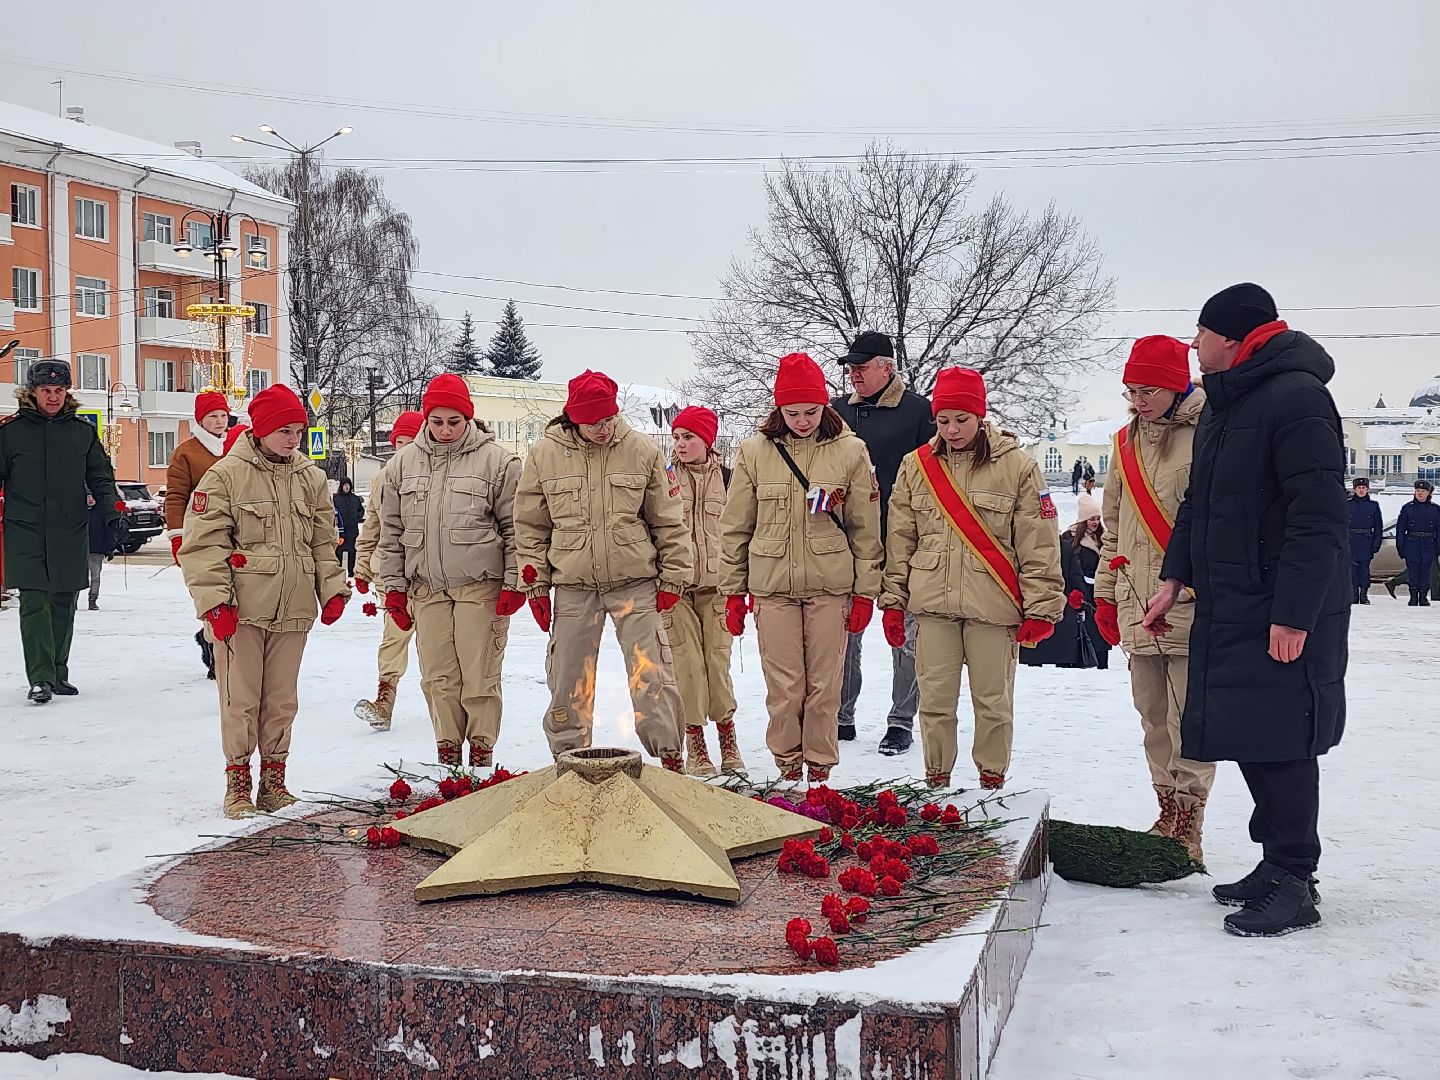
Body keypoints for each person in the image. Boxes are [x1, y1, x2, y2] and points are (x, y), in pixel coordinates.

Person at [1143, 283, 1347, 938]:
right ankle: (1276, 863)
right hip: (1234, 600)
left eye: (1199, 333)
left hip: (1278, 605)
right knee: (1254, 733)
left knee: (1283, 739)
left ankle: (1295, 879)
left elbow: (1318, 519)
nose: (1193, 345)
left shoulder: (1298, 399)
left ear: (1232, 337)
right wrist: (1174, 579)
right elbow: (1200, 504)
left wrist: (1293, 614)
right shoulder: (1231, 406)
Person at [881, 367, 1063, 790]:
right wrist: (892, 600)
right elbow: (900, 538)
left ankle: (991, 782)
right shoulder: (916, 466)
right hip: (932, 603)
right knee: (935, 702)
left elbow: (1038, 544)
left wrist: (1042, 606)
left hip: (993, 603)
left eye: (961, 420)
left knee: (993, 703)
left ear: (981, 416)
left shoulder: (1017, 467)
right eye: (943, 421)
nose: (951, 429)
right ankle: (937, 782)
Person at [179, 384, 350, 818]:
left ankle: (274, 781)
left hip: (293, 607)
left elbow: (323, 541)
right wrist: (215, 603)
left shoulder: (310, 477)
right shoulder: (226, 476)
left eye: (298, 430)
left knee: (280, 699)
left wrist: (331, 588)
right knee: (241, 698)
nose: (293, 439)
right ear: (261, 429)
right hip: (242, 611)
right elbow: (203, 545)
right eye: (284, 431)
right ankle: (238, 783)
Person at [514, 369, 692, 770]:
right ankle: (569, 759)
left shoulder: (643, 450)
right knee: (568, 676)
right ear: (574, 417)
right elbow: (530, 525)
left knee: (653, 674)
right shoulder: (545, 454)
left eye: (609, 419)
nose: (602, 428)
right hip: (574, 583)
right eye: (593, 422)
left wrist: (674, 576)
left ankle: (669, 757)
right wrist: (535, 584)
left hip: (635, 582)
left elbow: (668, 520)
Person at [720, 353, 882, 784]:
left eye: (811, 411)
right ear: (778, 409)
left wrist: (865, 592)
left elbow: (865, 530)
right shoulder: (755, 451)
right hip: (773, 587)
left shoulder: (850, 451)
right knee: (784, 686)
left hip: (830, 587)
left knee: (824, 687)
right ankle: (788, 767)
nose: (803, 420)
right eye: (792, 412)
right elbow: (736, 527)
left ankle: (821, 770)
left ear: (825, 406)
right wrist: (733, 592)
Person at [1093, 335, 1213, 861]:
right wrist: (1104, 593)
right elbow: (1113, 529)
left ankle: (1191, 822)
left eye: (1150, 390)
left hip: (1190, 598)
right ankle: (1165, 811)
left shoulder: (1210, 432)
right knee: (1152, 716)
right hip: (1136, 598)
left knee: (1189, 719)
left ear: (1176, 385)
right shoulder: (1123, 443)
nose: (1139, 401)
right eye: (1132, 391)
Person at [374, 378, 522, 767]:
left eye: (453, 422)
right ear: (426, 419)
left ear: (468, 418)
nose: (444, 430)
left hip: (479, 587)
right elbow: (390, 534)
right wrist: (393, 589)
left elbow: (516, 529)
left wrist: (515, 582)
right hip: (427, 590)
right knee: (438, 678)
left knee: (479, 676)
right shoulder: (402, 466)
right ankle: (448, 752)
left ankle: (481, 754)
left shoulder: (498, 462)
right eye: (437, 421)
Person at [829, 330, 935, 755]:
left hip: (901, 538)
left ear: (887, 368)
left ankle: (901, 720)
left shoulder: (919, 413)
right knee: (843, 630)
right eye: (850, 367)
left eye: (862, 366)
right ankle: (841, 714)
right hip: (847, 540)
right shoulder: (834, 412)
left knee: (905, 635)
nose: (853, 373)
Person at [0, 360, 121, 704]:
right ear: (32, 392)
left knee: (65, 600)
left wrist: (112, 512)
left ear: (66, 392)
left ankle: (57, 673)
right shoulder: (10, 434)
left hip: (69, 529)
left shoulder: (82, 433)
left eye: (58, 390)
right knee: (35, 600)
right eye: (45, 391)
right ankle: (39, 677)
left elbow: (100, 475)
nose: (52, 397)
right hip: (25, 529)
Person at [667, 405, 744, 776]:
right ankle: (695, 746)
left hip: (719, 587)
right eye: (677, 437)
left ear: (707, 441)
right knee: (688, 668)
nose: (680, 444)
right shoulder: (663, 480)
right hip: (675, 589)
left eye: (689, 437)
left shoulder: (731, 480)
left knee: (717, 663)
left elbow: (744, 533)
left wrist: (742, 587)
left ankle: (728, 741)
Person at [353, 410, 423, 731]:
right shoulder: (382, 479)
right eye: (399, 442)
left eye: (410, 442)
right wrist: (362, 566)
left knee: (437, 643)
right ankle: (385, 699)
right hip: (391, 574)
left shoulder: (434, 476)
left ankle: (449, 702)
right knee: (393, 635)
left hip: (427, 575)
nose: (403, 449)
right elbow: (372, 527)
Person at [166, 391, 231, 679]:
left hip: (236, 534)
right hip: (201, 534)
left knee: (236, 595)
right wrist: (177, 535)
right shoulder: (186, 453)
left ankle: (214, 642)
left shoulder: (237, 447)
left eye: (223, 415)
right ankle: (216, 649)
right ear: (201, 420)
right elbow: (176, 497)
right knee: (210, 594)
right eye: (213, 416)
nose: (219, 421)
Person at [1021, 493, 1111, 671]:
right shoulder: (1068, 541)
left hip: (1095, 592)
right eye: (1091, 518)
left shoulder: (1103, 539)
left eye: (1097, 518)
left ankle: (1096, 663)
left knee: (1096, 636)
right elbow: (1072, 571)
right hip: (1067, 595)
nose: (1095, 522)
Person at [1395, 479, 1440, 606]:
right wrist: (1401, 547)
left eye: (1423, 491)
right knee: (1413, 572)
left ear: (1428, 493)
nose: (1420, 493)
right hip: (1412, 544)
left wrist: (1438, 547)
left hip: (1428, 544)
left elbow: (1439, 530)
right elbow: (1400, 529)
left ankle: (1423, 597)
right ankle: (1413, 596)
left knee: (1426, 572)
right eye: (1418, 491)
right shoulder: (1407, 508)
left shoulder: (1435, 509)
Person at [1347, 478, 1384, 605]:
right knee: (1352, 571)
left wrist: (1376, 544)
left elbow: (1378, 526)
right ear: (1354, 489)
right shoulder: (1348, 504)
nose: (1361, 490)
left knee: (1364, 570)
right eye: (1359, 488)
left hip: (1366, 541)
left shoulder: (1373, 506)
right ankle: (1353, 594)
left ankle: (1364, 595)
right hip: (1351, 541)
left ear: (1367, 489)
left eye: (1363, 488)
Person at [85, 492, 117, 611]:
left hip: (96, 551)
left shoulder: (100, 514)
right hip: (79, 552)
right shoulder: (78, 513)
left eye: (92, 496)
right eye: (88, 496)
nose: (90, 499)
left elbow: (108, 532)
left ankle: (92, 600)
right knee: (76, 577)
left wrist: (109, 549)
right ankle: (73, 600)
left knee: (95, 577)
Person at [333, 478, 364, 578]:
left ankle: (351, 572)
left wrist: (356, 516)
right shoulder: (336, 498)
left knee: (352, 551)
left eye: (348, 485)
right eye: (345, 485)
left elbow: (361, 510)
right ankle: (339, 572)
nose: (347, 487)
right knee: (338, 551)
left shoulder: (355, 498)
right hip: (340, 530)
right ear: (341, 486)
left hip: (352, 530)